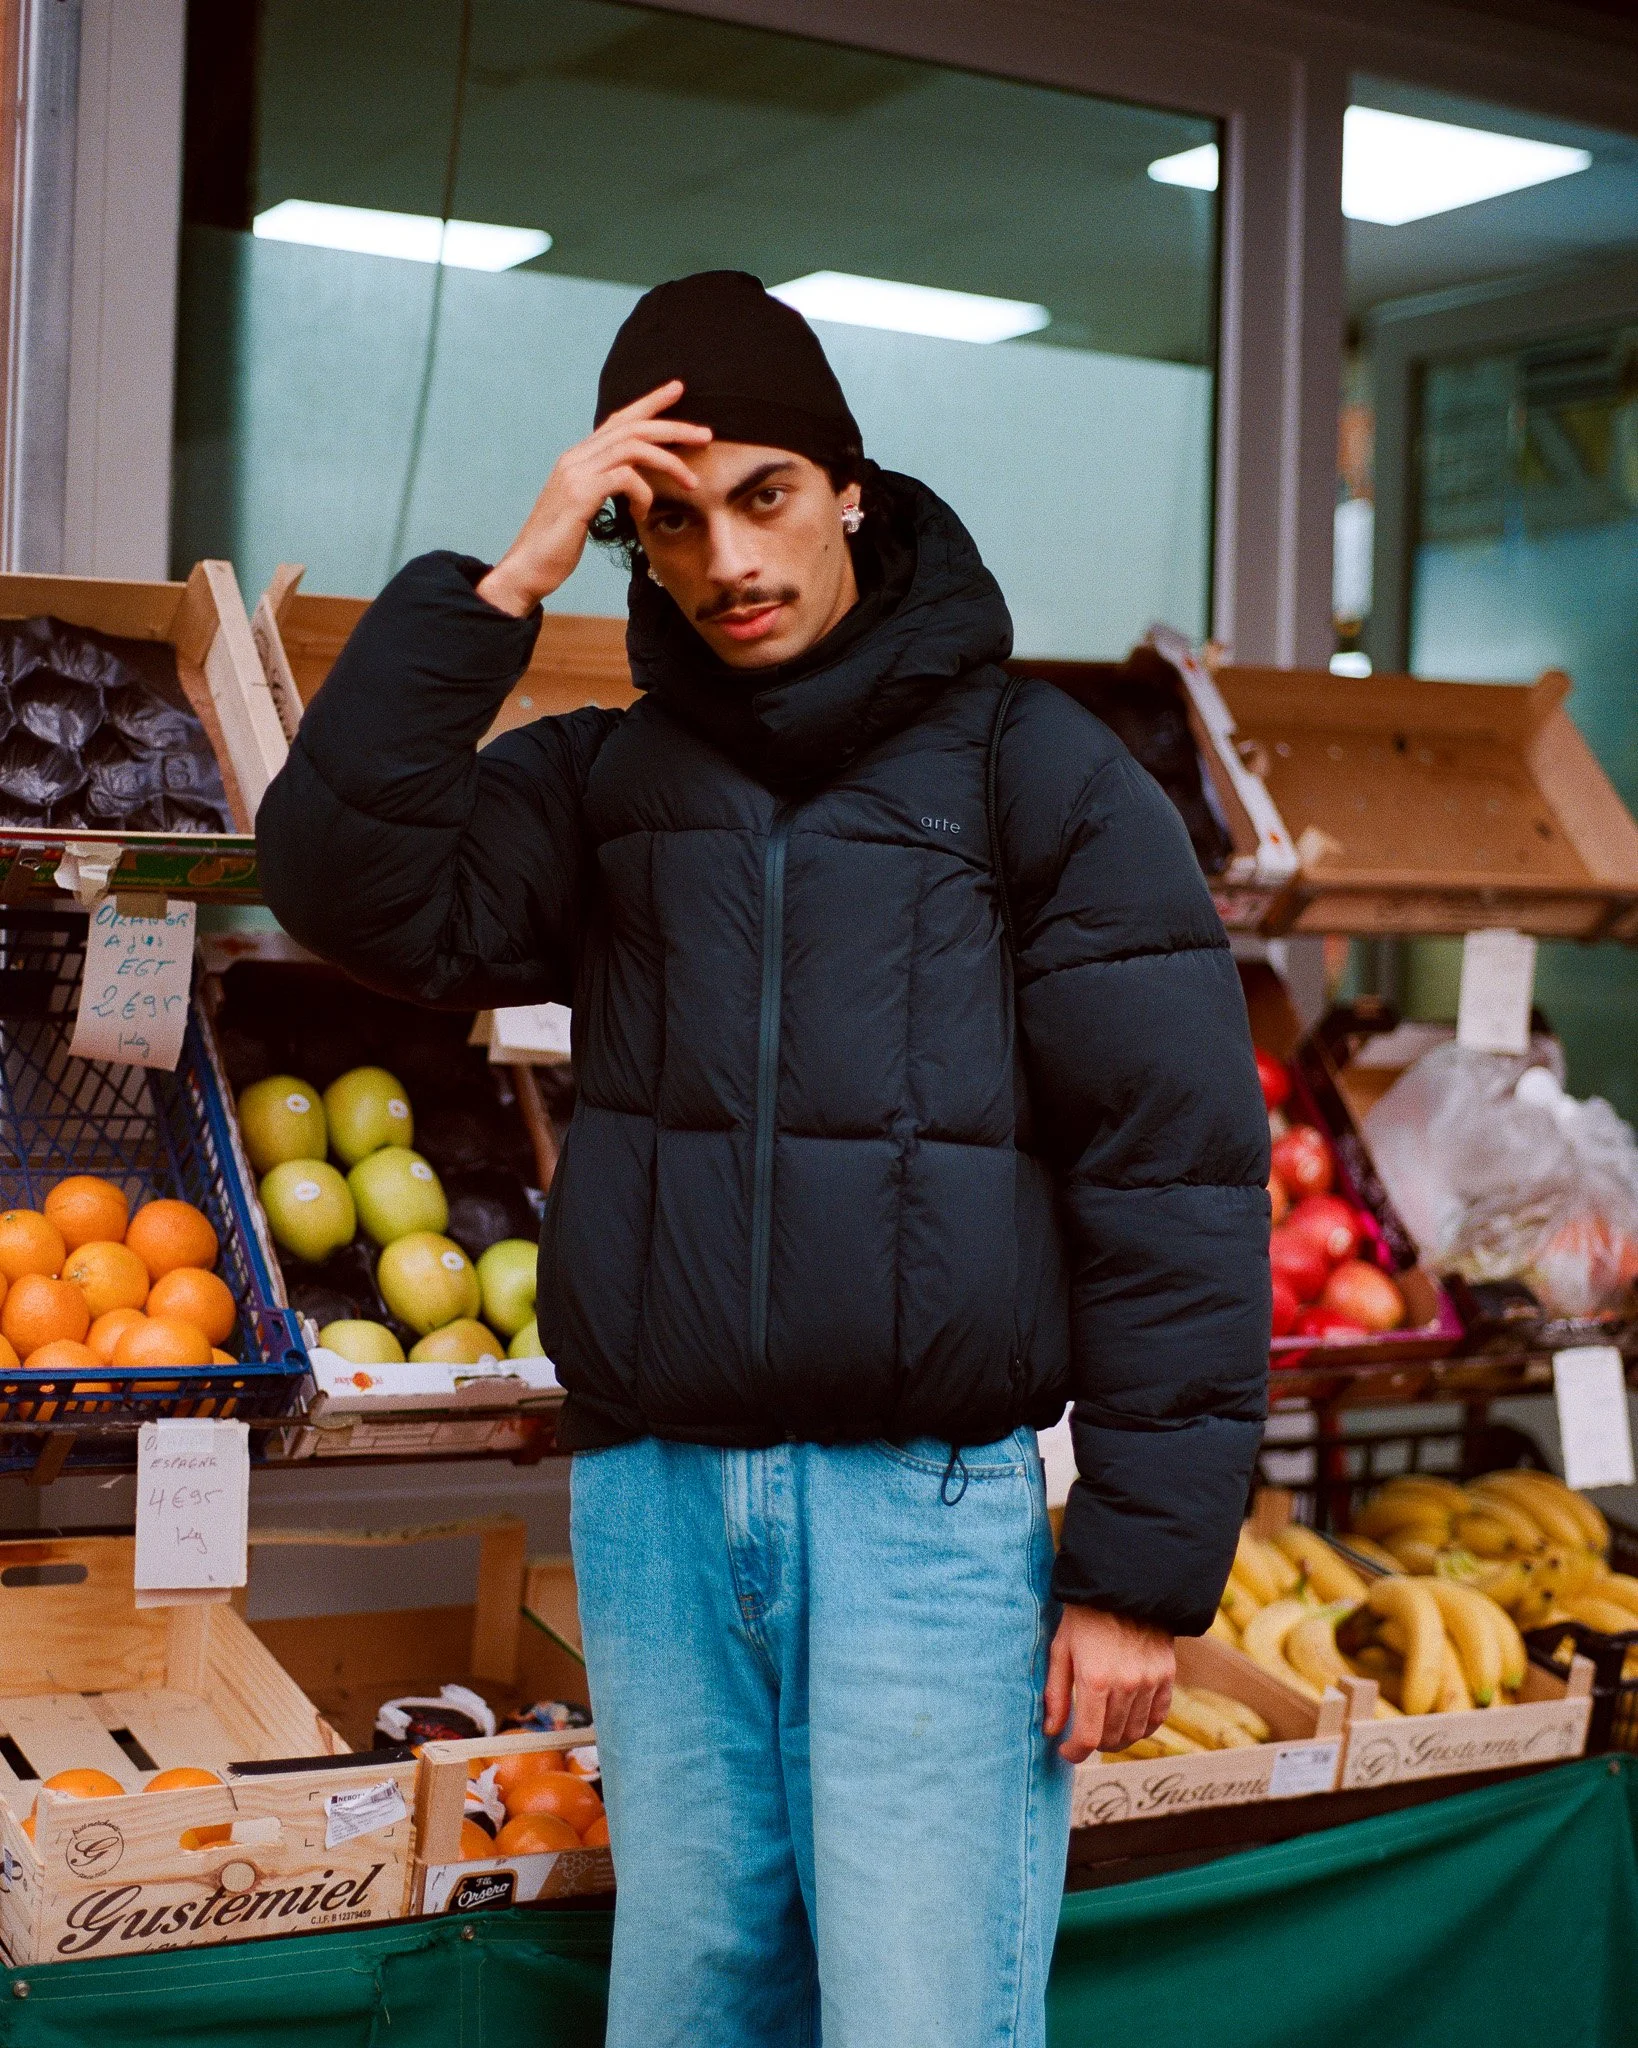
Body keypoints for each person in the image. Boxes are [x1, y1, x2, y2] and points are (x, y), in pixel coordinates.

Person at [257, 270, 1270, 2048]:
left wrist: (1136, 1574)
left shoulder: (1037, 772)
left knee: (920, 2014)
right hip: (657, 1512)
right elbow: (349, 884)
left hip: (927, 1518)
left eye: (765, 496)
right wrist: (508, 579)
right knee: (695, 2002)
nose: (727, 557)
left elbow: (1171, 1170)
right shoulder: (604, 786)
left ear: (850, 490)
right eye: (669, 519)